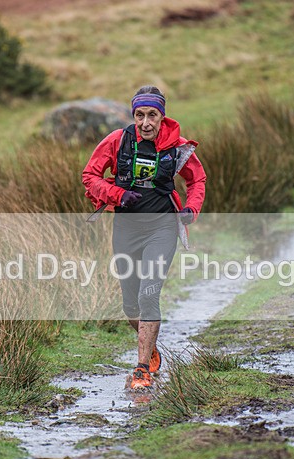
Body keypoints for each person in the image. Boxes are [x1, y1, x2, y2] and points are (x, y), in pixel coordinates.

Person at [82, 85, 207, 390]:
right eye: (140, 115)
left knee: (148, 295)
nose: (146, 122)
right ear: (133, 115)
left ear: (162, 116)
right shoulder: (117, 141)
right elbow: (90, 176)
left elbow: (197, 179)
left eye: (152, 115)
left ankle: (141, 370)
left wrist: (191, 208)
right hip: (126, 228)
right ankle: (149, 349)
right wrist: (116, 194)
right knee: (130, 305)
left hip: (162, 228)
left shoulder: (176, 146)